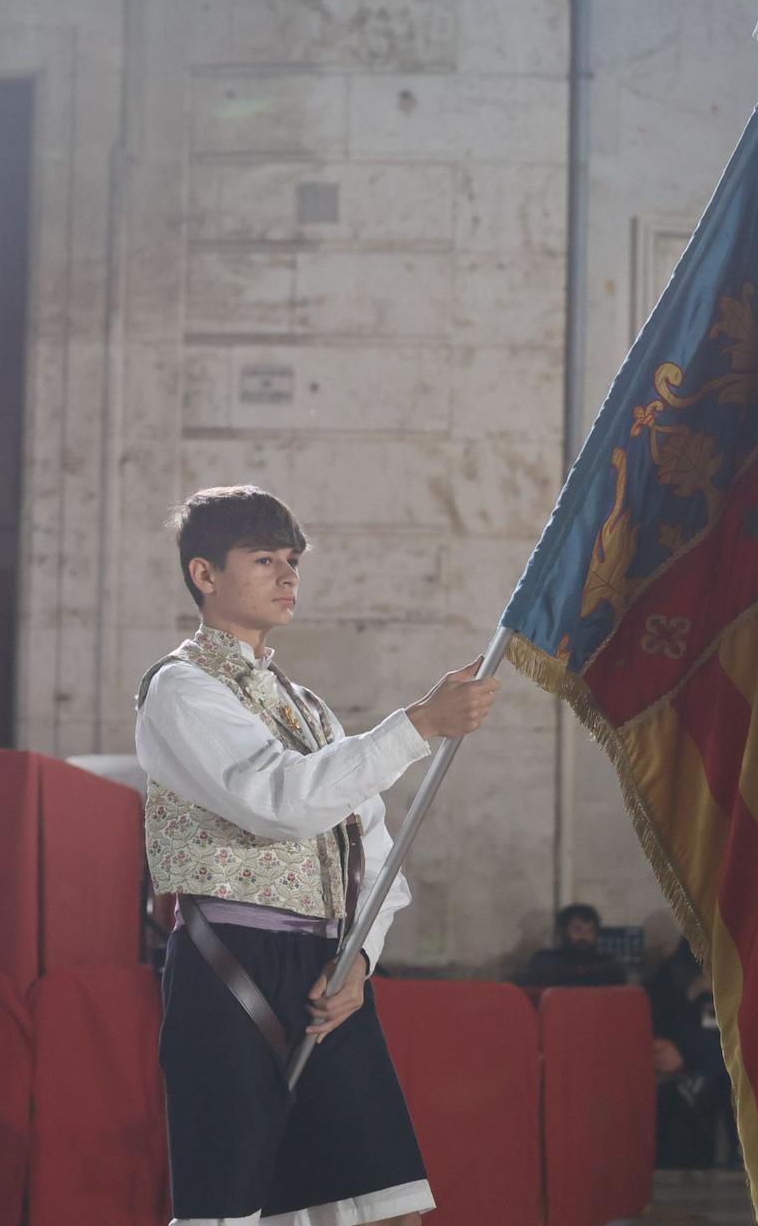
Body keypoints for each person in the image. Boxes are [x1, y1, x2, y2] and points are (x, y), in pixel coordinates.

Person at [135, 485, 500, 1226]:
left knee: (388, 1205)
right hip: (229, 960)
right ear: (205, 574)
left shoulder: (308, 707)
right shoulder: (180, 688)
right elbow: (277, 800)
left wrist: (361, 961)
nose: (287, 575)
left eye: (293, 559)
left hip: (327, 972)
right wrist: (417, 725)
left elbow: (371, 846)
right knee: (228, 1210)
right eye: (264, 558)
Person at [643, 937, 732, 1169]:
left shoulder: (740, 974)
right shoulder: (669, 978)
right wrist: (690, 996)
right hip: (688, 1061)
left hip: (726, 1060)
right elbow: (659, 1027)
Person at [517, 904, 629, 988]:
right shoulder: (545, 961)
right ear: (563, 932)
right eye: (577, 930)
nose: (584, 937)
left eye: (590, 931)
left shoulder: (609, 965)